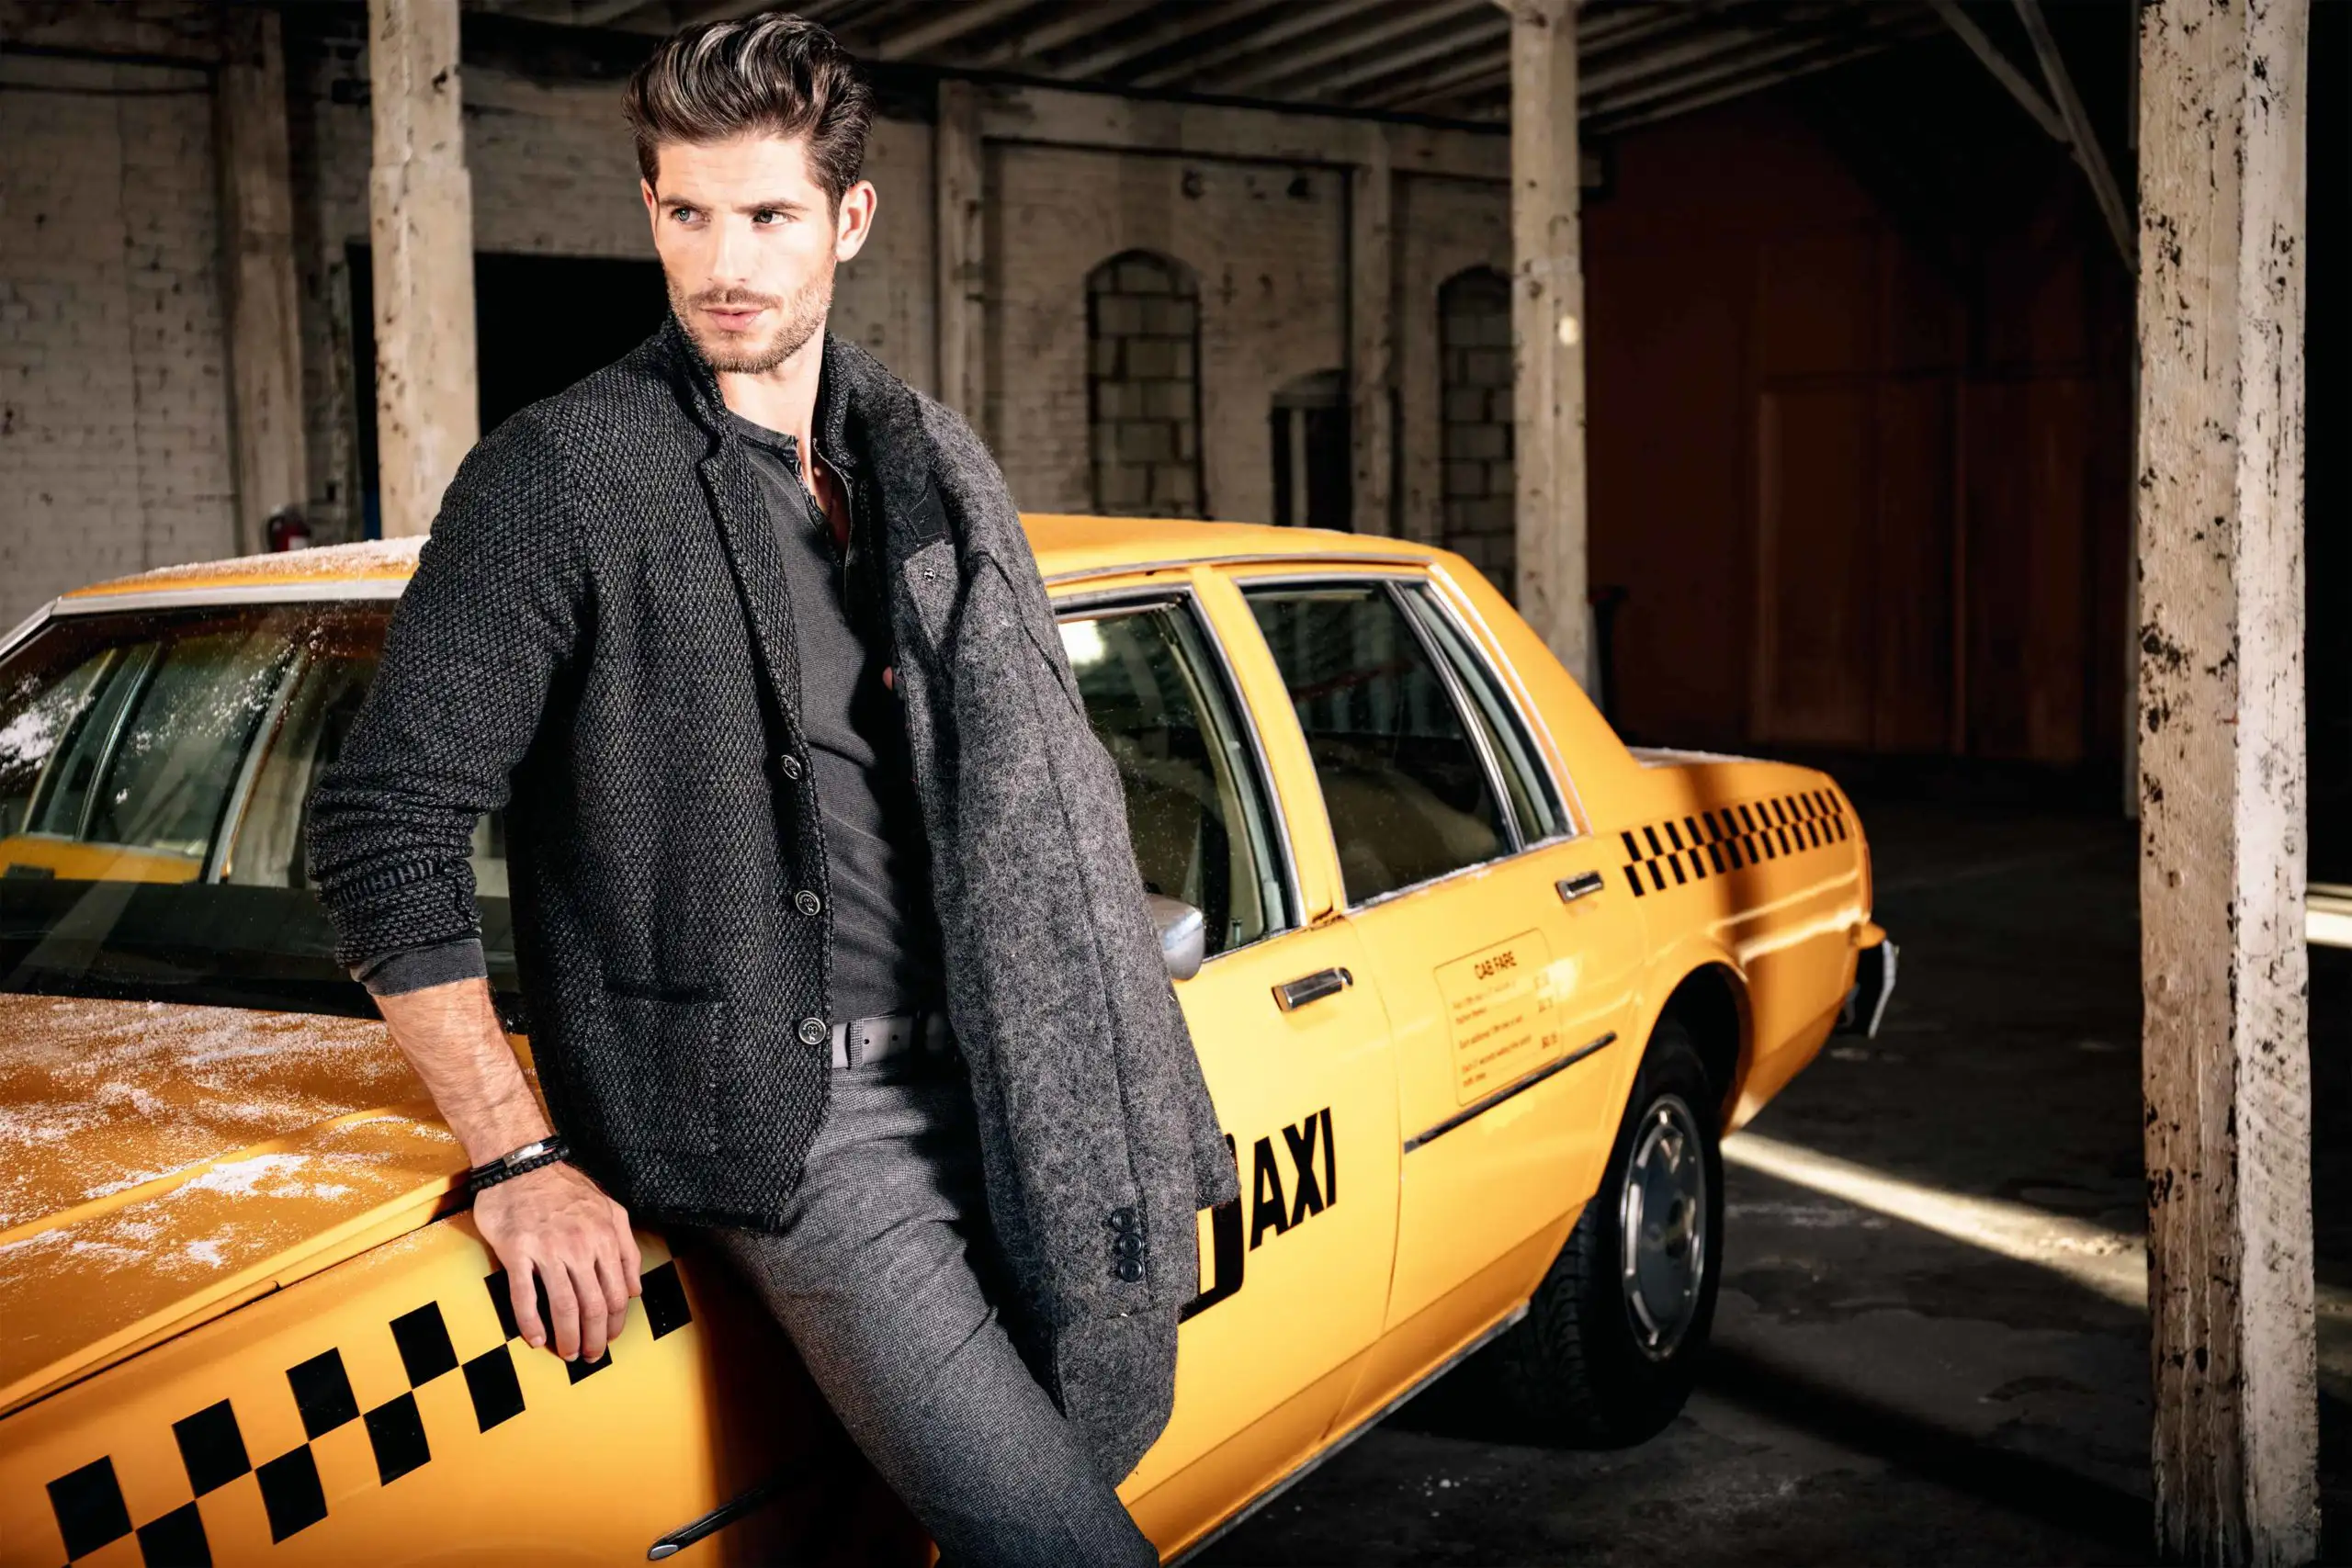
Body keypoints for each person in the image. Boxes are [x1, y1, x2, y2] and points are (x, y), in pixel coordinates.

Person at [302, 14, 1236, 1565]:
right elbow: (381, 826)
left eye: (769, 215)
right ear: (650, 211)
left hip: (1012, 1079)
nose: (723, 260)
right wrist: (517, 1155)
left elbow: (1026, 792)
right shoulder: (566, 473)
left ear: (848, 220)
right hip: (803, 1125)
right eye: (687, 213)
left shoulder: (914, 459)